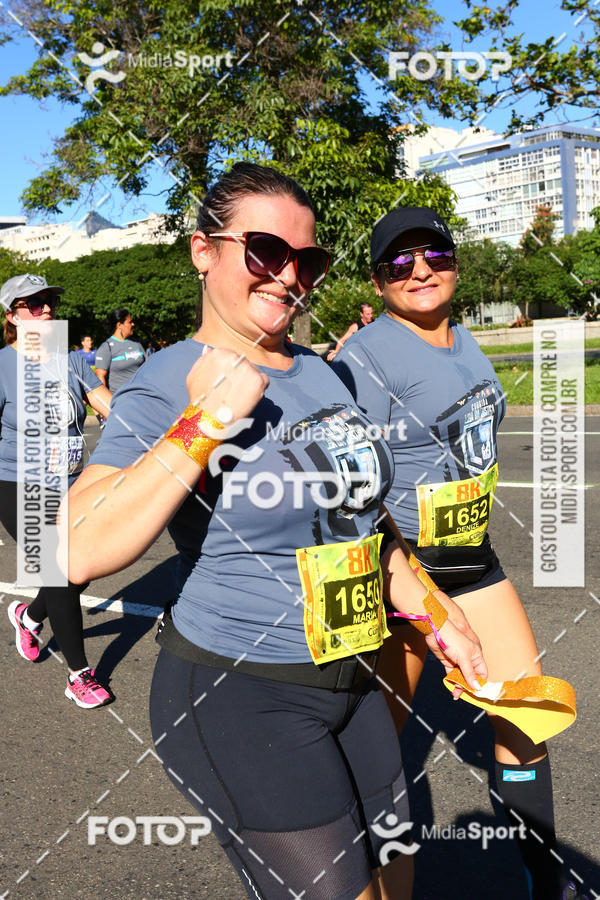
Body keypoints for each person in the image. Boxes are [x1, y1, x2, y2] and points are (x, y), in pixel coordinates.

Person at [64, 164, 487, 900]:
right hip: (242, 696)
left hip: (355, 682)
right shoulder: (167, 381)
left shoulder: (322, 372)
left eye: (308, 259)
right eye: (265, 251)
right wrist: (203, 424)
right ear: (204, 251)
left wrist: (434, 608)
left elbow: (363, 517)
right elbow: (72, 548)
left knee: (397, 874)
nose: (289, 274)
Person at [332, 207, 585, 900]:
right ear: (379, 280)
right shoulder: (365, 359)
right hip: (403, 571)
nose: (420, 271)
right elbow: (349, 489)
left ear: (456, 263)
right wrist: (401, 577)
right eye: (399, 263)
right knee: (377, 756)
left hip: (471, 556)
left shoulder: (466, 341)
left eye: (434, 256)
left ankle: (542, 875)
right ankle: (366, 883)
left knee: (525, 713)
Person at [0, 273, 113, 708]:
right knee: (60, 573)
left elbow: (107, 404)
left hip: (71, 483)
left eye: (48, 300)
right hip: (16, 484)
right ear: (12, 316)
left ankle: (29, 616)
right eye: (32, 304)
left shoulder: (71, 360)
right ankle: (79, 675)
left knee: (81, 568)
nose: (45, 309)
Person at [94, 308, 145, 392]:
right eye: (129, 322)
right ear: (119, 325)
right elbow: (100, 379)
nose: (133, 324)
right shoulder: (106, 348)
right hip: (120, 400)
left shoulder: (136, 343)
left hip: (141, 397)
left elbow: (148, 366)